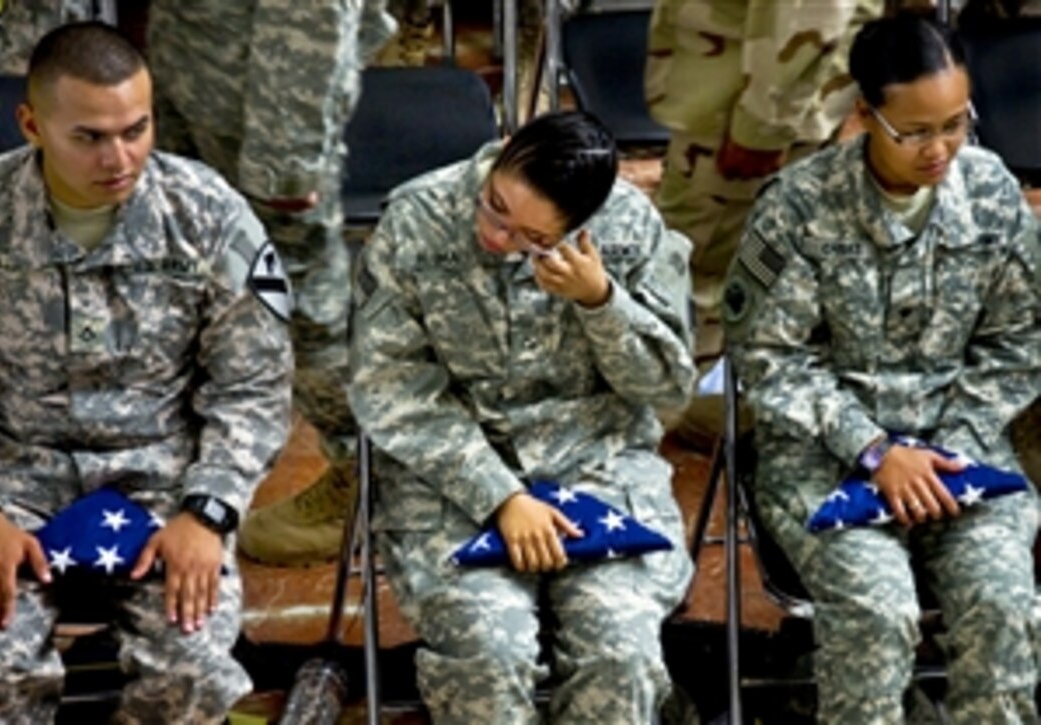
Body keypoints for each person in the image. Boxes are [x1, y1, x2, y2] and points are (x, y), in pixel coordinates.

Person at [0, 22, 292, 722]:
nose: (120, 157)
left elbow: (252, 387)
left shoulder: (207, 215)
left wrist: (210, 510)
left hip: (167, 482)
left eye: (137, 129)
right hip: (9, 477)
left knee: (195, 668)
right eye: (90, 137)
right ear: (31, 124)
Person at [723, 14, 1040, 722]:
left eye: (957, 123)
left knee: (1002, 600)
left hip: (963, 456)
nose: (941, 149)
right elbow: (767, 357)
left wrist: (946, 446)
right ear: (864, 114)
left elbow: (1020, 340)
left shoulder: (991, 194)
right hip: (825, 462)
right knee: (877, 609)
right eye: (916, 131)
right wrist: (876, 450)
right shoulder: (799, 209)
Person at [348, 111, 698, 722]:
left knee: (621, 652)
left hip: (598, 468)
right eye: (495, 206)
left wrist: (601, 303)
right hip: (455, 484)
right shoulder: (416, 221)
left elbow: (668, 387)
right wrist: (500, 497)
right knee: (489, 652)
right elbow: (391, 387)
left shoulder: (630, 226)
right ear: (505, 150)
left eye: (531, 238)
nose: (497, 237)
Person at [144, 0, 398, 568]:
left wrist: (286, 159)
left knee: (301, 307)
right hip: (192, 76)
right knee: (192, 288)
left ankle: (378, 476)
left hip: (265, 108)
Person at [644, 0, 883, 448]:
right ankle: (702, 398)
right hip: (750, 87)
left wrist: (762, 125)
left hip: (749, 99)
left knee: (694, 263)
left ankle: (670, 410)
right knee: (739, 258)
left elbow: (811, 12)